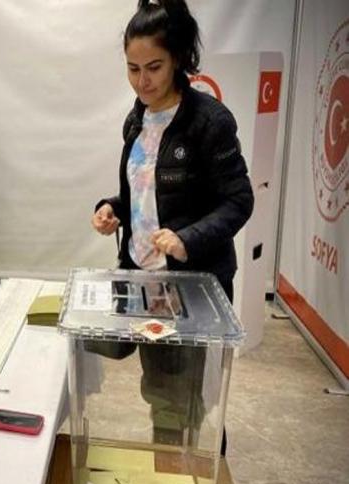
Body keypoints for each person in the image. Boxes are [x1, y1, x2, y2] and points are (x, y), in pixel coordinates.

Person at [90, 0, 253, 451]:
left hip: (194, 287)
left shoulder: (209, 121)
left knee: (192, 401)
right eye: (132, 69)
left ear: (178, 58)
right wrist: (112, 208)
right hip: (148, 283)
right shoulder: (136, 119)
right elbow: (144, 193)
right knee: (163, 393)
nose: (142, 81)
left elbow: (239, 201)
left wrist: (186, 240)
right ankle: (170, 475)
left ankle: (198, 481)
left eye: (154, 68)